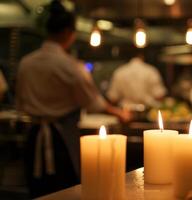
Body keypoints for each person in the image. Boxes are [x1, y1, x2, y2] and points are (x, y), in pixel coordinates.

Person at [15, 1, 129, 198]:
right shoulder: (70, 65)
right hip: (60, 140)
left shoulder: (26, 63)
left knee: (38, 191)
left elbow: (20, 103)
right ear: (68, 32)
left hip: (33, 138)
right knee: (64, 191)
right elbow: (93, 102)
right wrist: (120, 113)